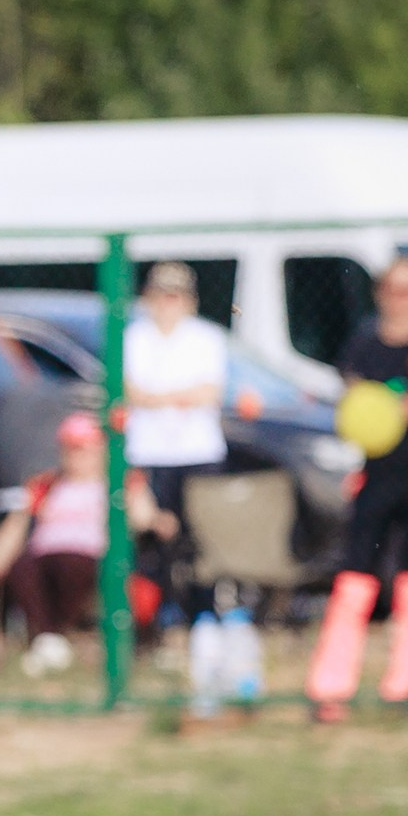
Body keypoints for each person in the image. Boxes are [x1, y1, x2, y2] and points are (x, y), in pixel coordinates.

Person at [304, 255, 408, 720]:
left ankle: (406, 683)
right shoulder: (362, 347)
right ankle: (331, 687)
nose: (400, 299)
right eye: (392, 288)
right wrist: (390, 406)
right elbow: (353, 410)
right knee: (355, 578)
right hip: (376, 477)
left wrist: (380, 406)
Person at [0, 411, 167, 676]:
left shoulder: (120, 482)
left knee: (72, 565)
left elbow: (144, 518)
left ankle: (55, 636)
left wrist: (151, 517)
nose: (75, 456)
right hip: (42, 556)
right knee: (23, 568)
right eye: (70, 448)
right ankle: (49, 638)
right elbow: (17, 525)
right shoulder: (46, 485)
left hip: (91, 556)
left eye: (83, 449)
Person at [123, 260, 226, 616]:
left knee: (201, 538)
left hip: (197, 452)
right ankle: (158, 618)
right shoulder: (133, 337)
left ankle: (203, 615)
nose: (168, 303)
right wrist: (176, 397)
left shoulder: (206, 337)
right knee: (152, 541)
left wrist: (156, 398)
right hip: (149, 453)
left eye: (175, 295)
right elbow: (129, 391)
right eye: (161, 295)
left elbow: (209, 392)